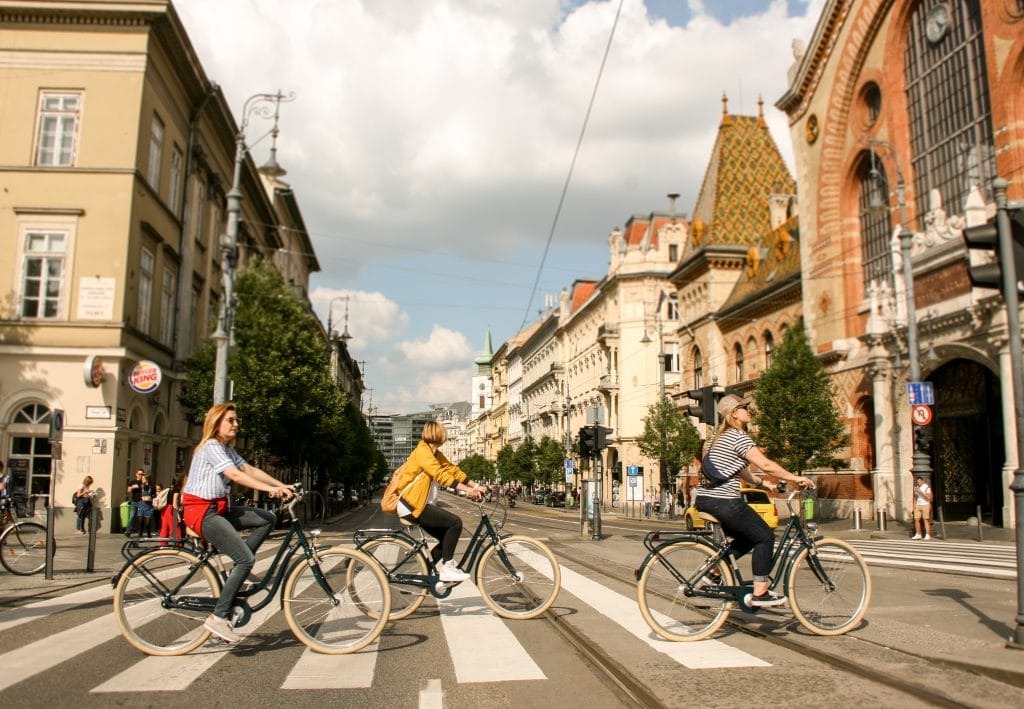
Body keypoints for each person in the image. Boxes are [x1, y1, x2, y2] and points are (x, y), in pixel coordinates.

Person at [182, 403, 294, 644]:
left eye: (236, 420)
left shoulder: (225, 448)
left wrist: (282, 486)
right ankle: (219, 617)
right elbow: (235, 475)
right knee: (246, 558)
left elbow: (248, 469)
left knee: (268, 518)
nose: (236, 424)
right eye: (230, 420)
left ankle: (238, 570)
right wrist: (271, 489)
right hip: (202, 511)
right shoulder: (211, 446)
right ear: (216, 423)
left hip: (220, 509)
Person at [694, 394, 815, 607]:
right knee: (765, 536)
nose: (748, 410)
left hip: (705, 498)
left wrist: (763, 485)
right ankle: (761, 591)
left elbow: (738, 468)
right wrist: (796, 478)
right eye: (744, 407)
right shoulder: (738, 436)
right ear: (734, 413)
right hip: (725, 500)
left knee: (748, 537)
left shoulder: (715, 438)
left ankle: (712, 571)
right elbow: (766, 464)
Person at [395, 421, 487, 583]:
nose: (445, 436)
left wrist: (476, 486)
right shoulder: (423, 451)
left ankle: (424, 573)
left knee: (446, 537)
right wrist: (467, 490)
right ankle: (448, 568)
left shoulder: (435, 453)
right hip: (413, 505)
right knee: (455, 523)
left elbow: (452, 470)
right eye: (443, 432)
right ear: (438, 435)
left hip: (420, 504)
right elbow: (440, 475)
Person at [159, 472, 187, 545]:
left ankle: (163, 545)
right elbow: (174, 503)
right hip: (171, 509)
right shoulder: (177, 490)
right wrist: (177, 514)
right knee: (175, 529)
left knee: (165, 528)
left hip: (165, 509)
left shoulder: (171, 488)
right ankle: (179, 545)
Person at [912, 475, 933, 540]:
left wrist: (921, 492)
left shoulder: (927, 487)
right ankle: (918, 534)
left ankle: (928, 534)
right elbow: (915, 497)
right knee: (916, 519)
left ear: (922, 481)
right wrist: (914, 506)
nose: (918, 483)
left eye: (919, 482)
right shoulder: (916, 487)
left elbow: (929, 497)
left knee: (925, 519)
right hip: (918, 505)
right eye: (917, 482)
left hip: (925, 504)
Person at [125, 468, 145, 536]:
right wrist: (134, 487)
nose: (140, 475)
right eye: (139, 474)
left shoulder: (144, 482)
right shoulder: (132, 482)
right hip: (134, 501)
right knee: (131, 516)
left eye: (142, 474)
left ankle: (140, 532)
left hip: (142, 502)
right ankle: (128, 531)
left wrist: (139, 485)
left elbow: (145, 488)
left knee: (141, 517)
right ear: (136, 474)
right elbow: (128, 490)